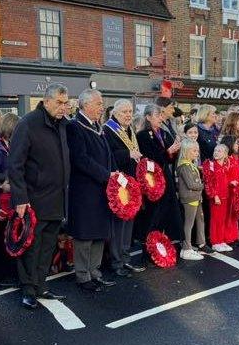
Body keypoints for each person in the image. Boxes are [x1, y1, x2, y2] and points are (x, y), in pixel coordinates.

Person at [7, 84, 71, 309]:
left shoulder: (62, 124)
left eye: (66, 102)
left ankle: (41, 285)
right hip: (34, 199)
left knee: (47, 246)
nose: (64, 107)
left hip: (56, 198)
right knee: (31, 247)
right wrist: (21, 198)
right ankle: (28, 289)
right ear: (46, 101)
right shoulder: (28, 123)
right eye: (60, 103)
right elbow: (15, 164)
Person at [65, 89, 116, 292]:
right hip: (85, 189)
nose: (101, 107)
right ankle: (82, 275)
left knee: (98, 232)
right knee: (85, 234)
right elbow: (80, 159)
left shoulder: (97, 126)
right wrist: (106, 175)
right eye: (98, 103)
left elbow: (107, 154)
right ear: (85, 105)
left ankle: (95, 271)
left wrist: (114, 173)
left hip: (102, 187)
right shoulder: (75, 126)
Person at [103, 99, 145, 277]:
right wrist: (128, 153)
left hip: (131, 182)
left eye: (130, 111)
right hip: (119, 183)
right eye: (124, 112)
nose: (128, 115)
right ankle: (116, 261)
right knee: (119, 225)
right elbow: (108, 155)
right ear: (115, 114)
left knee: (129, 224)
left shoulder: (130, 130)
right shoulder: (108, 129)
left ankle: (125, 258)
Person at [135, 104, 184, 242]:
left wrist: (174, 150)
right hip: (152, 178)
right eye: (157, 115)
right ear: (148, 117)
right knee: (155, 211)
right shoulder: (143, 135)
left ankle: (167, 241)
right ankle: (149, 242)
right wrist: (168, 151)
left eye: (161, 115)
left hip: (165, 173)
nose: (160, 118)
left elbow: (171, 154)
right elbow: (149, 157)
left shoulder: (164, 133)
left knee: (168, 209)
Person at [0, 112, 21, 286]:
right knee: (0, 239)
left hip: (8, 196)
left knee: (9, 236)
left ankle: (7, 272)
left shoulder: (5, 143)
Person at [203, 142, 239, 252]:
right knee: (216, 220)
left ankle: (222, 240)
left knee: (224, 219)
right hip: (217, 197)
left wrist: (232, 183)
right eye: (215, 150)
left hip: (227, 196)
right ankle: (215, 241)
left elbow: (227, 179)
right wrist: (214, 196)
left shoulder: (226, 165)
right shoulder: (210, 164)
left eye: (219, 151)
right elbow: (209, 182)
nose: (216, 153)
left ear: (225, 154)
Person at [176, 138, 206, 261]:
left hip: (195, 197)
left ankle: (195, 246)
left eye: (197, 151)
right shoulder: (184, 166)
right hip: (189, 198)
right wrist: (204, 184)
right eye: (194, 151)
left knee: (196, 221)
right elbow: (192, 184)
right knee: (188, 224)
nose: (197, 153)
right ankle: (186, 249)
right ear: (186, 151)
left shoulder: (189, 165)